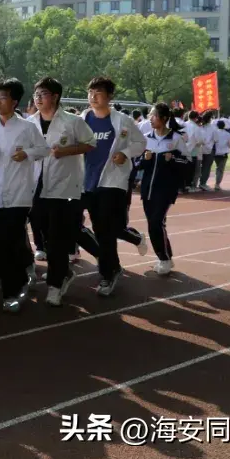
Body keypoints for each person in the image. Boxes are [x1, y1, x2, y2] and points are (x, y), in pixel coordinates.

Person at [0, 78, 49, 313]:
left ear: (15, 101)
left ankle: (14, 291)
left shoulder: (28, 127)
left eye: (2, 98)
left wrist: (27, 153)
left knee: (10, 243)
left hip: (17, 195)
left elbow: (44, 150)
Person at [29, 77, 94, 307]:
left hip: (64, 188)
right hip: (36, 188)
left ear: (55, 96)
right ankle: (63, 272)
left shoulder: (73, 122)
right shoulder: (30, 123)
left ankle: (55, 285)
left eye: (43, 94)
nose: (38, 98)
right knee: (44, 237)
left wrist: (66, 151)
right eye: (36, 94)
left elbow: (90, 143)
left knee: (57, 240)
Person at [81, 77, 147, 297]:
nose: (93, 96)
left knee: (106, 230)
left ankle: (108, 274)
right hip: (85, 183)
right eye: (90, 92)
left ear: (109, 96)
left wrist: (125, 153)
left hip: (112, 183)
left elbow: (140, 143)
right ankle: (112, 265)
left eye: (98, 92)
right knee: (83, 227)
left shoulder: (122, 121)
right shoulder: (82, 119)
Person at [138, 103, 189, 276]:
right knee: (156, 224)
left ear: (165, 118)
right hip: (147, 189)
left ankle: (163, 259)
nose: (150, 119)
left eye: (154, 115)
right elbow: (137, 164)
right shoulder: (146, 138)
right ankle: (167, 256)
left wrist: (173, 158)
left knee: (155, 223)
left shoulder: (175, 138)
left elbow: (187, 162)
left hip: (166, 189)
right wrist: (145, 159)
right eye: (150, 116)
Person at [212, 120, 230, 191]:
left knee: (216, 168)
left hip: (214, 153)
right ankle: (217, 184)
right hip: (223, 154)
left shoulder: (214, 133)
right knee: (220, 169)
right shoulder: (228, 134)